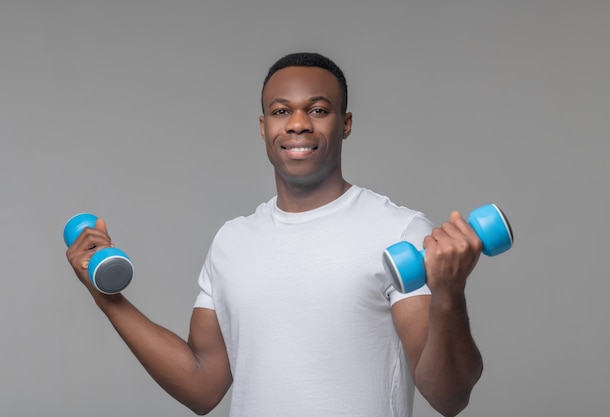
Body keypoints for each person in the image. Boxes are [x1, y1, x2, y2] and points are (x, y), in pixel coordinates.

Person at [66, 52, 484, 417]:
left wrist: (449, 294)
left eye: (318, 110)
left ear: (346, 123)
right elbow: (201, 385)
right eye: (282, 111)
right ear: (264, 127)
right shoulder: (232, 242)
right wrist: (108, 300)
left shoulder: (398, 232)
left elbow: (448, 398)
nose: (298, 124)